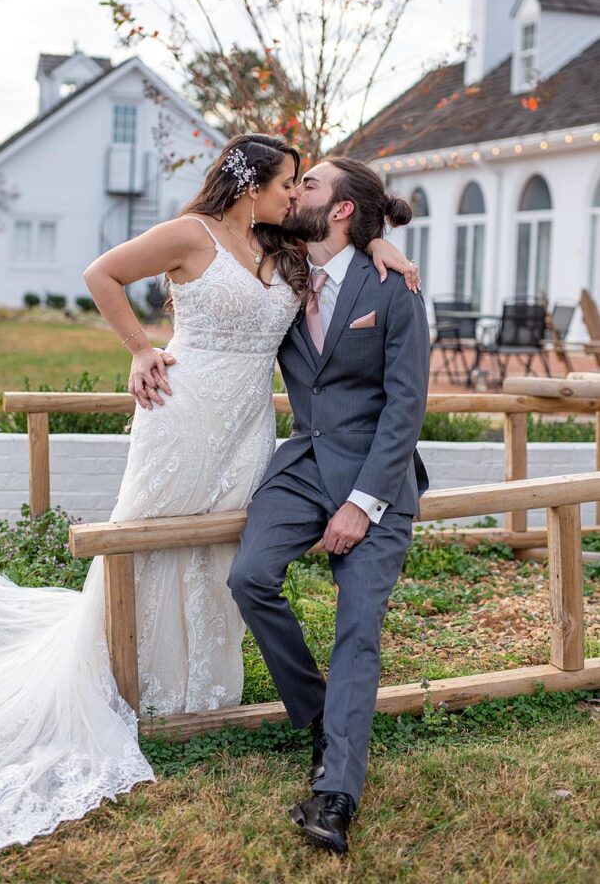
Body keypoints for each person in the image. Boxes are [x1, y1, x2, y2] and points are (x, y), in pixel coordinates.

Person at [0, 134, 418, 860]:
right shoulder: (200, 234)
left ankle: (203, 694)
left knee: (220, 556)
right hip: (182, 414)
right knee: (152, 538)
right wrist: (139, 349)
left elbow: (350, 265)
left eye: (304, 186)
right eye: (287, 182)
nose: (292, 193)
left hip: (247, 429)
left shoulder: (287, 250)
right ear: (255, 186)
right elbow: (103, 274)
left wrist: (384, 248)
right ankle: (130, 676)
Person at [228, 155, 430, 856]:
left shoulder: (392, 288)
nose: (294, 191)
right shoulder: (279, 269)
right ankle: (319, 717)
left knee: (357, 628)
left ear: (341, 209)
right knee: (248, 577)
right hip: (302, 464)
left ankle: (335, 794)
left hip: (377, 475)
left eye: (308, 183)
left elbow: (406, 408)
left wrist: (363, 504)